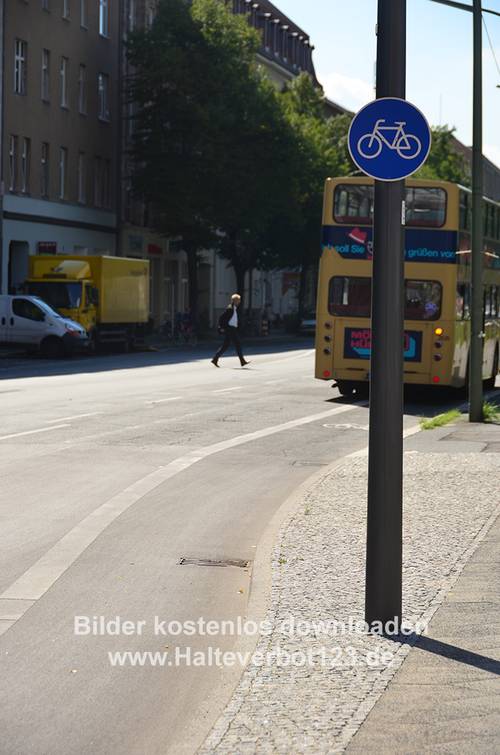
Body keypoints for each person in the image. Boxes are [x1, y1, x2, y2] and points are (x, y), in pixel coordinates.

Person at [211, 294, 250, 368]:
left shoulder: (234, 308)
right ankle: (242, 361)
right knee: (237, 344)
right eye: (238, 300)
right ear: (235, 301)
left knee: (225, 346)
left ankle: (215, 359)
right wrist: (223, 327)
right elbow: (221, 318)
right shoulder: (230, 308)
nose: (239, 302)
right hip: (230, 329)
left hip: (232, 329)